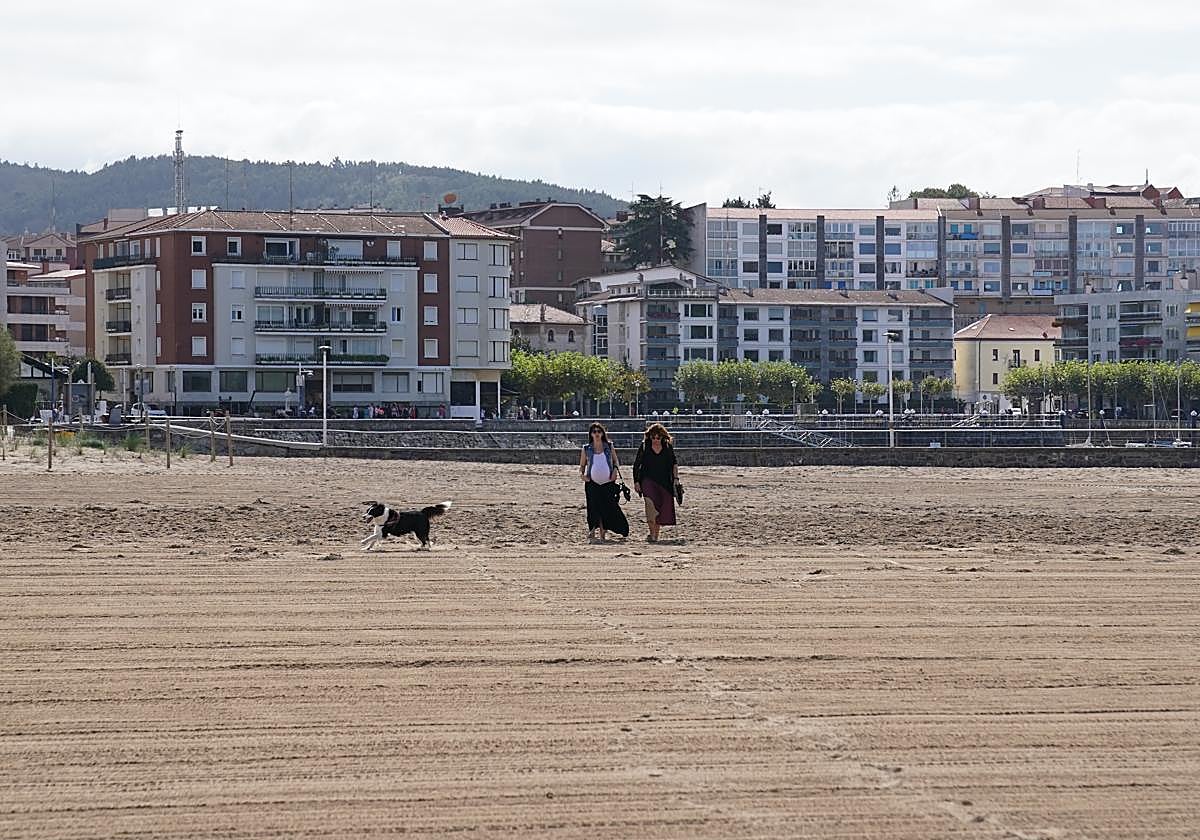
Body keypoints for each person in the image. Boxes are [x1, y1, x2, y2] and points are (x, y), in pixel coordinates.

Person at [579, 422, 628, 542]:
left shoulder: (609, 446)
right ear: (591, 434)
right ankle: (596, 531)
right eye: (594, 432)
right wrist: (582, 475)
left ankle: (607, 530)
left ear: (602, 433)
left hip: (608, 483)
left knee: (609, 507)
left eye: (599, 431)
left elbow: (616, 462)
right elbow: (582, 466)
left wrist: (615, 471)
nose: (596, 434)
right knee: (594, 508)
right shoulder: (587, 448)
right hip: (592, 483)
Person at [633, 422, 680, 543]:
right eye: (653, 437)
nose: (655, 439)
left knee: (659, 509)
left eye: (658, 437)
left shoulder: (667, 447)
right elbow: (637, 465)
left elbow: (674, 463)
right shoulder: (644, 446)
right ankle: (652, 533)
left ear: (663, 437)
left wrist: (676, 479)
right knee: (650, 507)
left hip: (665, 482)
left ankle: (655, 535)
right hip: (647, 481)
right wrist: (636, 482)